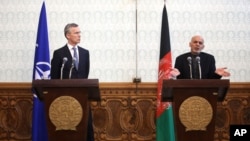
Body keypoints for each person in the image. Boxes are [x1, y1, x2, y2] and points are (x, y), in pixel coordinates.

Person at [50, 23, 94, 141]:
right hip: (65, 99)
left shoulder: (85, 53)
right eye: (76, 33)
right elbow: (54, 78)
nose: (79, 35)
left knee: (85, 128)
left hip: (82, 98)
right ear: (68, 35)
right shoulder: (59, 53)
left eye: (80, 32)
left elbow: (85, 74)